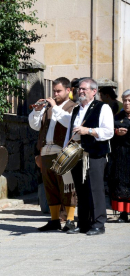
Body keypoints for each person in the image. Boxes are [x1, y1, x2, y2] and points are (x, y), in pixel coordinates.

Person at [64, 78, 114, 236]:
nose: (81, 91)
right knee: (81, 190)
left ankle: (99, 224)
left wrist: (89, 131)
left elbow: (109, 132)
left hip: (94, 154)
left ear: (94, 91)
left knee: (96, 189)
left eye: (85, 89)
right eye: (79, 89)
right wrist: (66, 148)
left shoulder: (102, 107)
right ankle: (84, 223)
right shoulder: (76, 109)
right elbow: (69, 133)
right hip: (77, 153)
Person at [28, 77, 77, 232]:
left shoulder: (73, 107)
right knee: (50, 186)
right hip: (47, 152)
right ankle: (54, 220)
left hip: (63, 152)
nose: (55, 93)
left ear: (68, 91)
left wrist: (55, 106)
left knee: (67, 187)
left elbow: (68, 123)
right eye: (54, 90)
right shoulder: (48, 108)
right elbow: (36, 126)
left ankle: (70, 219)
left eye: (59, 91)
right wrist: (36, 111)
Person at [108, 89, 130, 223]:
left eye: (129, 100)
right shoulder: (116, 117)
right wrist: (116, 132)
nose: (127, 103)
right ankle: (123, 213)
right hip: (121, 155)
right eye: (125, 100)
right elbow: (107, 133)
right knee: (121, 184)